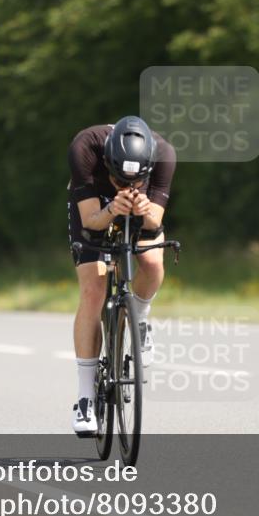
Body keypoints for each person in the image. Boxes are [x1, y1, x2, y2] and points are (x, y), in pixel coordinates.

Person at [67, 116, 177, 435]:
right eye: (118, 179)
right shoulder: (84, 148)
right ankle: (86, 398)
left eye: (133, 181)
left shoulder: (164, 155)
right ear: (106, 162)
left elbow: (155, 221)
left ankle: (139, 319)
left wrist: (143, 209)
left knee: (154, 265)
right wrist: (114, 208)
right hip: (95, 208)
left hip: (138, 212)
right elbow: (90, 220)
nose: (125, 186)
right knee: (93, 289)